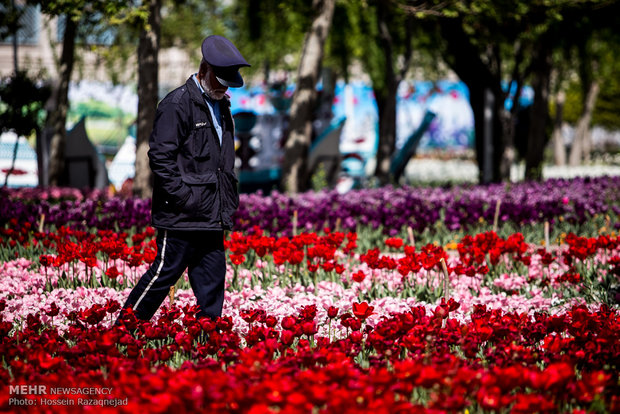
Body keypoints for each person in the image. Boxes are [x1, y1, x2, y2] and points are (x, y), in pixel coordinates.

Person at [117, 35, 250, 324]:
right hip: (181, 214)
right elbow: (161, 159)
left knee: (212, 280)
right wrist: (185, 198)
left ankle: (208, 338)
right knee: (163, 275)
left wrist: (224, 199)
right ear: (205, 70)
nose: (225, 87)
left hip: (212, 214)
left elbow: (221, 162)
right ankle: (123, 331)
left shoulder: (222, 106)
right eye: (221, 80)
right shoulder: (177, 104)